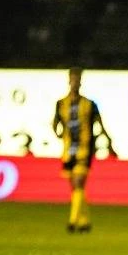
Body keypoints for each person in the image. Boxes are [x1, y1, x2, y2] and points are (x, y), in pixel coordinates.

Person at [52, 67, 116, 233]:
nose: (75, 83)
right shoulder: (61, 103)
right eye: (72, 79)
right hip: (68, 151)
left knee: (79, 183)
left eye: (77, 80)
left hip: (84, 149)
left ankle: (72, 221)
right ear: (69, 81)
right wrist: (58, 134)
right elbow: (55, 123)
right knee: (75, 188)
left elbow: (100, 124)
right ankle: (85, 221)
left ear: (80, 82)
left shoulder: (90, 104)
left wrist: (109, 142)